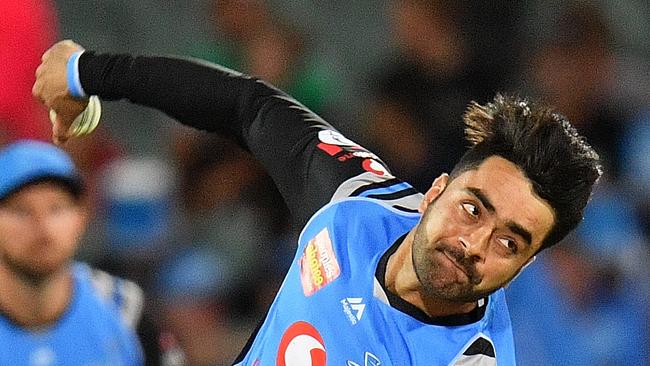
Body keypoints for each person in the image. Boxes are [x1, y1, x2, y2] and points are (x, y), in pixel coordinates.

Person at [33, 40, 602, 365]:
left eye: (509, 242)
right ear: (434, 192)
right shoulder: (356, 202)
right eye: (473, 209)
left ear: (525, 266)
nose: (473, 244)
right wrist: (86, 72)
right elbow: (246, 106)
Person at [0, 140, 147, 365]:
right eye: (21, 210)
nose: (43, 227)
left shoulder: (124, 308)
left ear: (81, 218)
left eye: (56, 209)